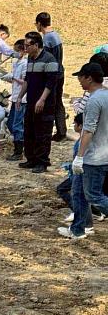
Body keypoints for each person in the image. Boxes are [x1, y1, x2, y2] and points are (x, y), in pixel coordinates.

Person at [60, 62, 108, 239]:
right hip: (101, 152)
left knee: (93, 195)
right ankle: (78, 229)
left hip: (94, 156)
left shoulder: (94, 100)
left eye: (80, 77)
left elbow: (88, 130)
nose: (79, 81)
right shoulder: (106, 95)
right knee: (78, 191)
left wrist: (79, 157)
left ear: (89, 78)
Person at [16, 31, 59, 174]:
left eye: (28, 45)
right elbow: (27, 80)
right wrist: (20, 96)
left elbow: (51, 82)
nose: (25, 48)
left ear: (36, 45)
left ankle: (42, 162)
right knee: (29, 130)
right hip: (31, 101)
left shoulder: (49, 59)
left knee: (43, 132)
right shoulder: (30, 59)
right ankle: (31, 159)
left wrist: (42, 99)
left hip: (44, 103)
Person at [35, 12, 66, 141]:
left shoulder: (47, 39)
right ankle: (61, 130)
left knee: (50, 103)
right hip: (60, 72)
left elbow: (45, 60)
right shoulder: (56, 35)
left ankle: (47, 132)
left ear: (39, 24)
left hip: (52, 75)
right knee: (58, 102)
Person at [56, 113, 84, 223]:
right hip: (79, 171)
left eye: (75, 124)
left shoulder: (82, 141)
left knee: (64, 190)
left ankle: (78, 213)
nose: (73, 126)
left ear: (80, 126)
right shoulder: (82, 139)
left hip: (79, 172)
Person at [3, 39, 28, 161]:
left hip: (22, 99)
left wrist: (13, 78)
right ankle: (21, 142)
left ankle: (19, 151)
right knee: (10, 122)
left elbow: (25, 81)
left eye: (17, 51)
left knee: (17, 124)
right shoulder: (17, 62)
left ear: (23, 50)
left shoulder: (25, 64)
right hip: (15, 97)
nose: (15, 53)